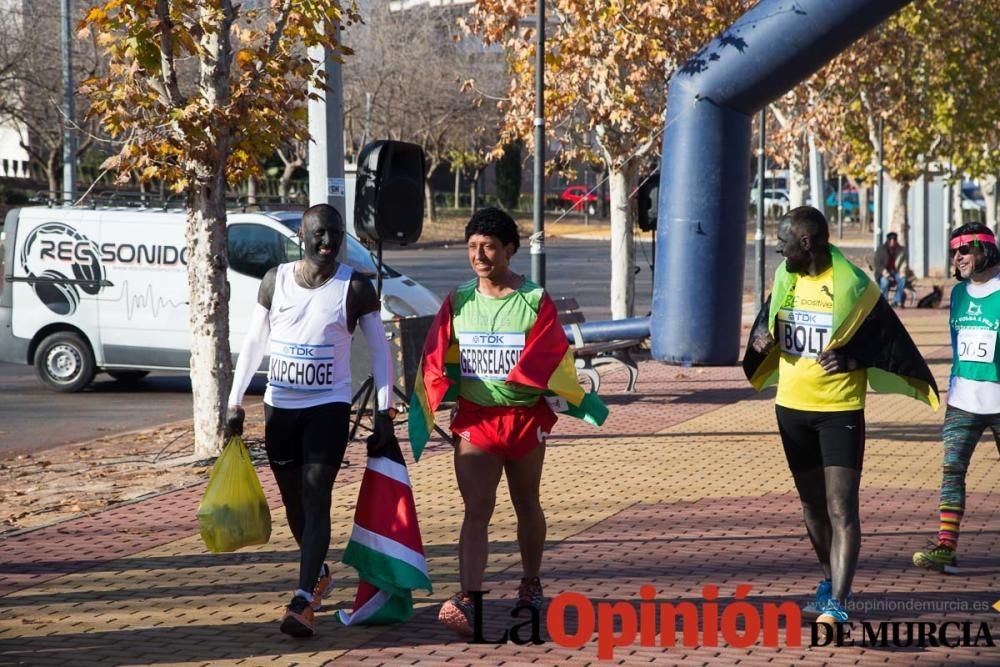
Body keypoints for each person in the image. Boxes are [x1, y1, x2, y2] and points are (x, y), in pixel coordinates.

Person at [408, 207, 607, 637]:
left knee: (526, 503)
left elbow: (554, 353)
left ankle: (530, 581)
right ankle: (468, 599)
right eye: (472, 247)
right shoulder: (458, 301)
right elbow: (433, 357)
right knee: (476, 508)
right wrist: (429, 397)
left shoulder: (534, 299)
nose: (479, 255)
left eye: (489, 247)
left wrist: (524, 381)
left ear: (509, 250)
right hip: (477, 421)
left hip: (523, 420)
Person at [743, 206, 938, 626]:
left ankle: (839, 601)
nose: (778, 250)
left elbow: (884, 339)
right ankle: (830, 581)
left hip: (839, 411)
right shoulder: (785, 278)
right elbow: (771, 325)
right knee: (812, 506)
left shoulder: (852, 285)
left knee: (841, 507)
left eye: (784, 243)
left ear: (807, 242)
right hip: (791, 408)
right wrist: (762, 340)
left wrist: (851, 358)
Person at [226, 203, 396, 638]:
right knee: (294, 503)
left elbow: (380, 352)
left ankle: (302, 599)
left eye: (335, 234)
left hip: (328, 408)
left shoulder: (354, 288)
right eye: (319, 234)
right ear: (302, 235)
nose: (328, 242)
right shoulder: (275, 280)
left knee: (317, 493)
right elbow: (253, 341)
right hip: (280, 408)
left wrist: (384, 412)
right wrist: (234, 402)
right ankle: (317, 571)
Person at [913, 223, 1000, 574]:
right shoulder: (959, 294)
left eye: (964, 250)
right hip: (963, 400)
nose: (957, 257)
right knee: (952, 471)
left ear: (986, 249)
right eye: (954, 251)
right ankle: (945, 548)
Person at [874, 232, 909, 307]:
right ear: (887, 240)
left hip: (895, 272)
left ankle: (896, 301)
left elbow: (904, 264)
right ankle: (884, 303)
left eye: (894, 240)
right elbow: (878, 265)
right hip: (883, 273)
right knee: (885, 282)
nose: (892, 242)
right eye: (890, 240)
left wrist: (902, 273)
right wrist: (887, 275)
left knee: (902, 280)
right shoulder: (881, 249)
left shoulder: (901, 250)